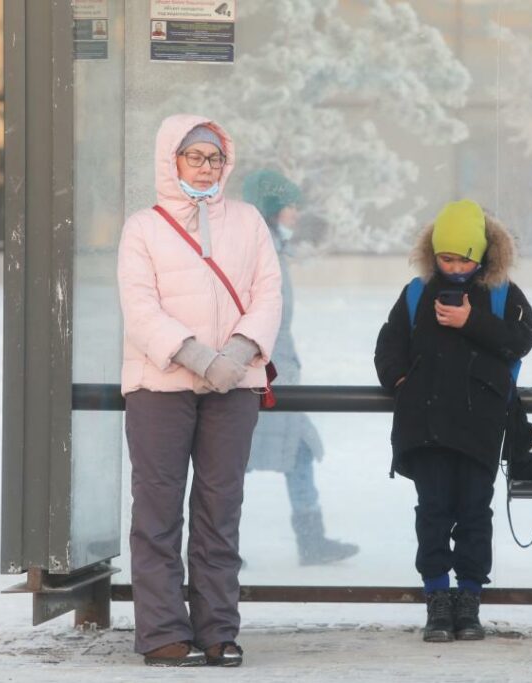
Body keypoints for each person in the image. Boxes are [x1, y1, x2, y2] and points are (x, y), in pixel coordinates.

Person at [117, 114, 282, 667]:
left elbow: (268, 293)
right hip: (159, 385)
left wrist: (236, 354)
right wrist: (196, 356)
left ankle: (217, 630)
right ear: (173, 161)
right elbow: (139, 306)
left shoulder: (248, 221)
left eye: (215, 158)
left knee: (219, 507)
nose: (207, 167)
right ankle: (162, 632)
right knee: (157, 509)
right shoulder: (143, 227)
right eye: (195, 157)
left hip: (233, 384)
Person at [374, 200, 532, 642]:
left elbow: (522, 339)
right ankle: (436, 598)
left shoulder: (502, 293)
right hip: (425, 425)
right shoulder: (416, 293)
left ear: (482, 254)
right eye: (446, 258)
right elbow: (389, 345)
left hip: (480, 427)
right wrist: (401, 380)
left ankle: (469, 599)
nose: (455, 268)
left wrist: (471, 321)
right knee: (432, 512)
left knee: (474, 513)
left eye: (464, 259)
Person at [242, 170, 359, 565]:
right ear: (272, 209)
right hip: (262, 372)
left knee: (292, 451)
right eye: (290, 206)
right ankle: (220, 544)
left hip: (275, 369)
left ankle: (309, 540)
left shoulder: (271, 249)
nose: (295, 213)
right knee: (237, 458)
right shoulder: (259, 254)